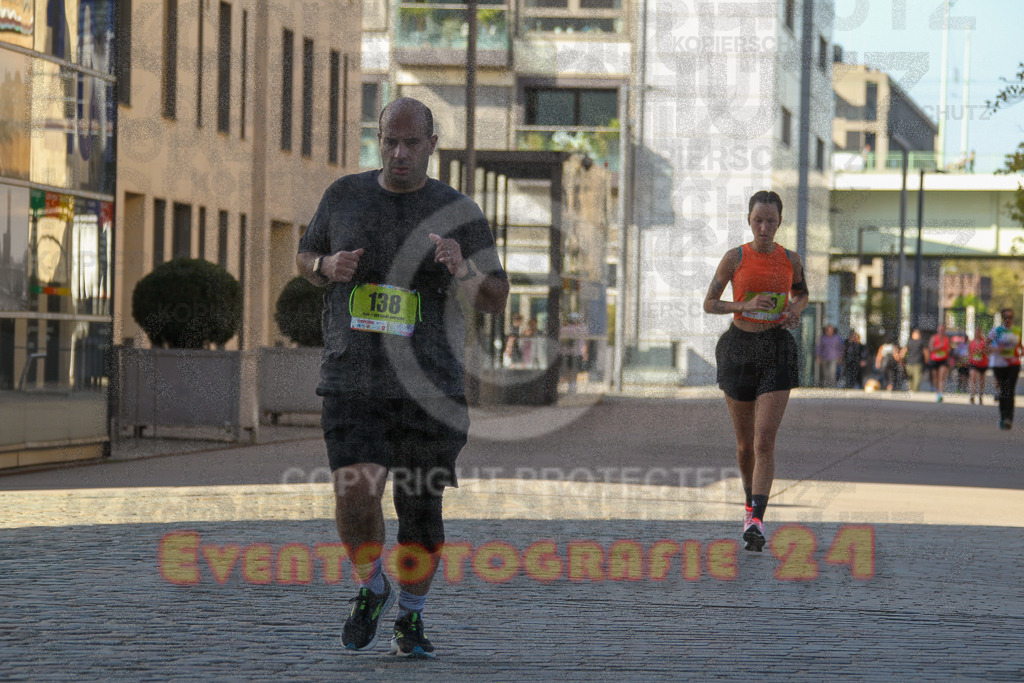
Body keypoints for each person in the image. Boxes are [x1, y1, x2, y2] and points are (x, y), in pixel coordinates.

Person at [296, 97, 509, 658]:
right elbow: (305, 255)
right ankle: (372, 587)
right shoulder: (343, 195)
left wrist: (462, 268)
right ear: (379, 139)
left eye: (411, 143)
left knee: (420, 516)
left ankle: (410, 616)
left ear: (431, 144)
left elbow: (495, 298)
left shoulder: (458, 211)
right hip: (353, 378)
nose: (399, 153)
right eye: (390, 141)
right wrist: (325, 267)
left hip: (429, 391)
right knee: (355, 493)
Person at [703, 190, 808, 553]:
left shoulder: (791, 260)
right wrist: (743, 304)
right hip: (738, 350)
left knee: (764, 440)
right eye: (758, 220)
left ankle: (757, 521)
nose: (764, 227)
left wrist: (795, 310)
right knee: (745, 444)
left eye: (771, 221)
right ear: (749, 220)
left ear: (780, 222)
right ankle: (749, 505)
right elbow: (709, 303)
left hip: (777, 349)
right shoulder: (735, 258)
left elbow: (802, 293)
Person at [987, 308, 1022, 430]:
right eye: (1006, 317)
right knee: (1003, 391)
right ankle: (1002, 416)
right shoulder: (996, 331)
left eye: (1010, 317)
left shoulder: (1017, 330)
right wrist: (995, 349)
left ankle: (1009, 419)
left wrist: (1022, 351)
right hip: (999, 364)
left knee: (1010, 391)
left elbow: (1020, 346)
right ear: (1002, 319)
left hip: (1014, 364)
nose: (1008, 320)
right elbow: (986, 345)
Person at [928, 324, 951, 402]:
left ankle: (940, 394)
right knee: (936, 378)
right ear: (937, 330)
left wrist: (948, 350)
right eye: (940, 329)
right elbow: (931, 349)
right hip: (934, 360)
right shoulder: (933, 338)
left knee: (941, 377)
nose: (941, 331)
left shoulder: (947, 338)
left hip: (943, 360)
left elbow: (949, 349)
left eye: (942, 329)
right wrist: (939, 347)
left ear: (944, 330)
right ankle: (937, 393)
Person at [968, 326, 989, 405]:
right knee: (973, 378)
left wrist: (982, 351)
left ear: (981, 332)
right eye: (976, 332)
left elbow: (988, 352)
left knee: (981, 381)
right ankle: (972, 395)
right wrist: (969, 358)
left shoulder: (984, 342)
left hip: (983, 363)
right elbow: (969, 351)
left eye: (979, 332)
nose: (977, 333)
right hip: (973, 363)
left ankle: (980, 395)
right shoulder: (971, 342)